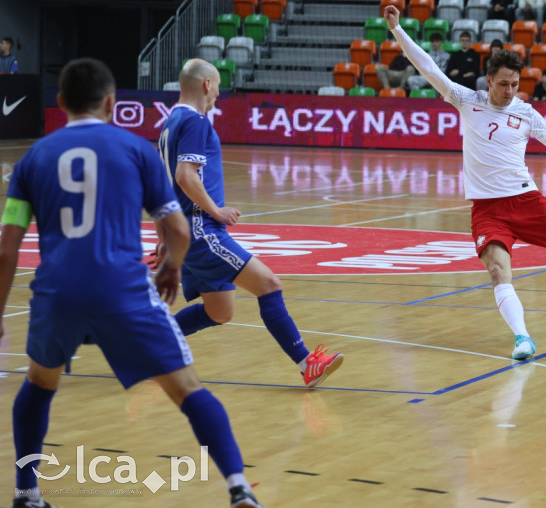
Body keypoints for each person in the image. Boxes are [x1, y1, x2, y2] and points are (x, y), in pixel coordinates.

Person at [0, 58, 264, 508]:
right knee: (188, 389)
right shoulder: (134, 150)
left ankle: (27, 493)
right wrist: (173, 268)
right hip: (121, 288)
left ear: (61, 103)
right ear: (110, 102)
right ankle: (239, 488)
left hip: (56, 291)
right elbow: (177, 230)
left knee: (39, 384)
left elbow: (7, 250)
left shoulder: (32, 161)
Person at [383, 4, 546, 360]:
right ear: (489, 81)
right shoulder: (466, 100)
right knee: (497, 271)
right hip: (487, 209)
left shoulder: (526, 113)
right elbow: (428, 67)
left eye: (516, 85)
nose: (510, 91)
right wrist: (398, 30)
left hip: (527, 202)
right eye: (504, 84)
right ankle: (523, 339)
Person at [158, 59, 343, 388]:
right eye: (216, 85)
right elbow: (184, 176)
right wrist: (216, 210)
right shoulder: (197, 121)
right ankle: (306, 364)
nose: (217, 93)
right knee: (269, 283)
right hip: (202, 231)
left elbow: (166, 185)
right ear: (205, 85)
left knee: (220, 312)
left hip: (186, 232)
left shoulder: (170, 121)